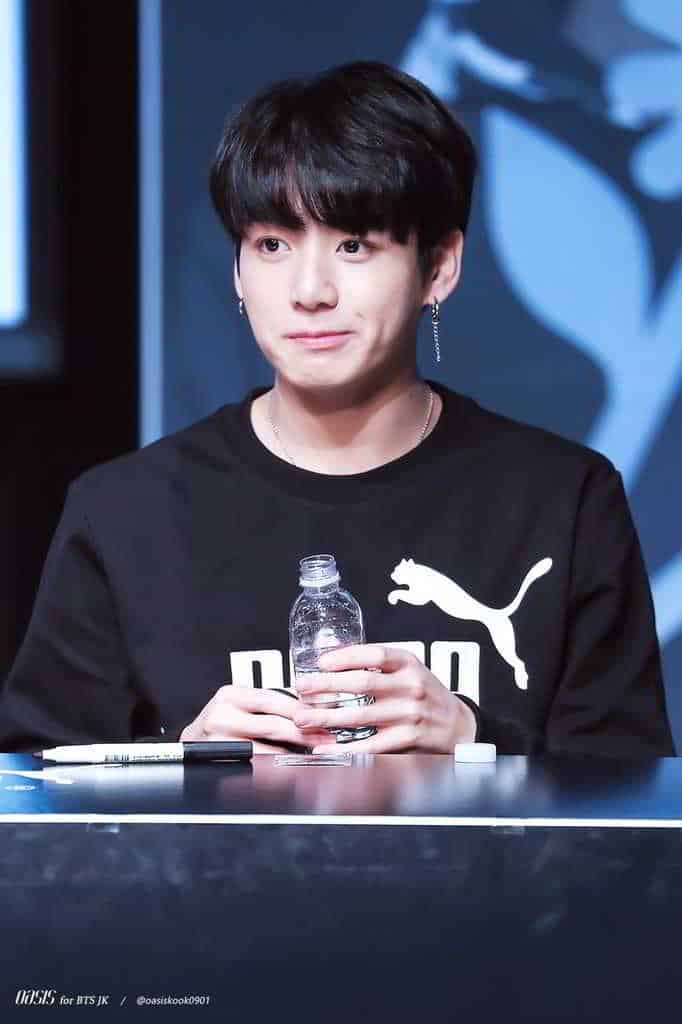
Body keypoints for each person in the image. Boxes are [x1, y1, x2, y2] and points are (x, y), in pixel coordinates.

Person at [0, 61, 674, 757]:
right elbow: (35, 785)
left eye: (354, 245)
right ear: (237, 271)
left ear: (439, 266)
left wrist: (474, 740)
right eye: (272, 245)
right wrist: (185, 761)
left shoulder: (562, 500)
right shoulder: (125, 513)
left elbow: (633, 791)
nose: (310, 290)